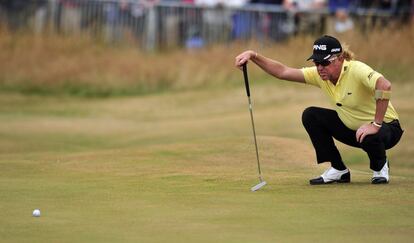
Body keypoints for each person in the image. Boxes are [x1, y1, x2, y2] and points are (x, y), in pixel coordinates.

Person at [235, 35, 404, 185]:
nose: (320, 68)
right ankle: (338, 170)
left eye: (325, 63)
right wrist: (253, 55)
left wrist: (375, 124)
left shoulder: (357, 69)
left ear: (339, 59)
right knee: (311, 115)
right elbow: (283, 72)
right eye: (317, 63)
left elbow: (384, 84)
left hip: (386, 129)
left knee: (370, 136)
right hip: (354, 130)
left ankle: (380, 167)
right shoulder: (320, 75)